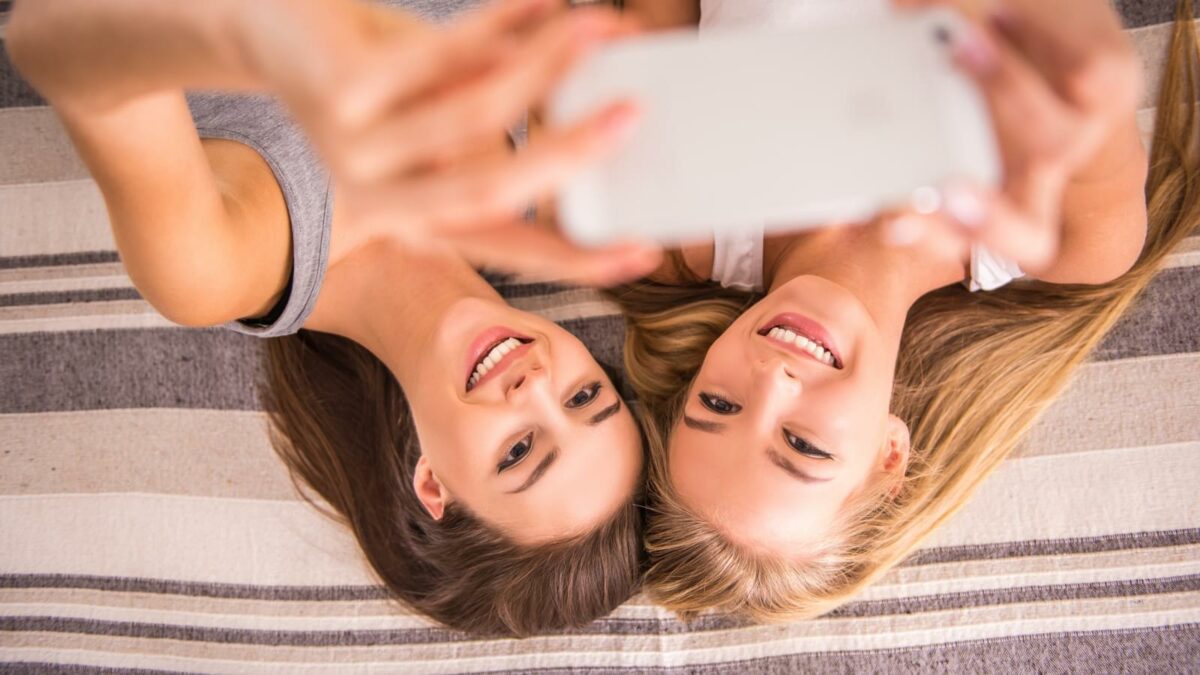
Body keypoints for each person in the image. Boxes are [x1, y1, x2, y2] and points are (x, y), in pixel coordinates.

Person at [7, 0, 661, 636]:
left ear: (433, 482)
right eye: (584, 395)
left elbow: (55, 36)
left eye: (518, 451)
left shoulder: (216, 272)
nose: (537, 385)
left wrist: (285, 37)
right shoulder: (543, 171)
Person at [615, 0, 1197, 621]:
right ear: (891, 454)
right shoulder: (1074, 241)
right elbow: (1090, 70)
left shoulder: (678, 222)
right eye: (802, 444)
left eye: (719, 405)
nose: (770, 380)